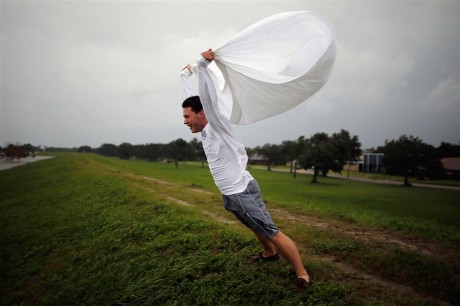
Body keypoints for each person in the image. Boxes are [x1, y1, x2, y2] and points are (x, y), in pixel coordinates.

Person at [181, 49, 312, 289]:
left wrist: (203, 66)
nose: (184, 121)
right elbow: (191, 101)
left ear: (203, 115)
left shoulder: (217, 124)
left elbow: (206, 99)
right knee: (254, 225)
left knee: (270, 229)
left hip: (241, 190)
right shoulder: (204, 129)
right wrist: (184, 77)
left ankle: (302, 274)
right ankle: (268, 254)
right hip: (231, 193)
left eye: (188, 116)